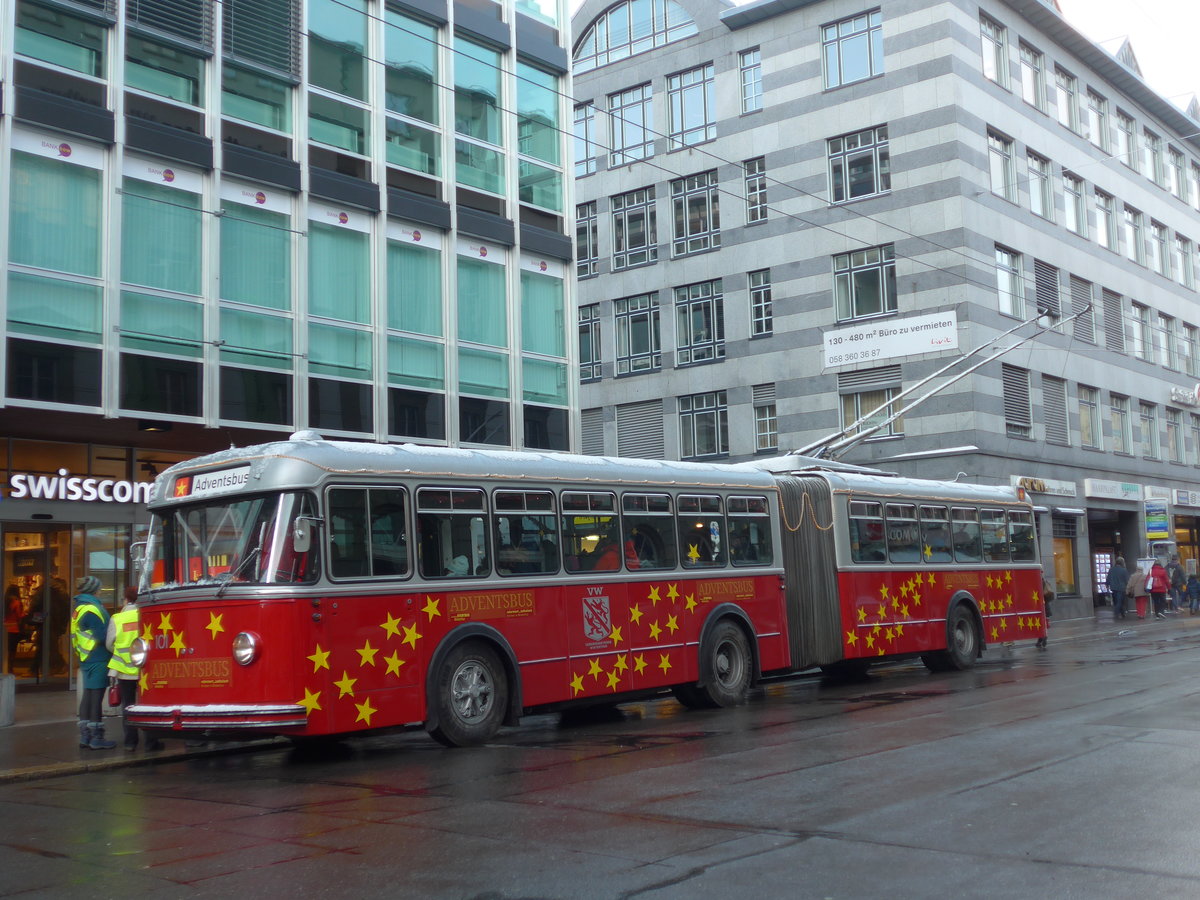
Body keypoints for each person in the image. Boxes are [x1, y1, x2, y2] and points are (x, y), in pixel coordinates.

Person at [107, 587, 162, 752]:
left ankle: (130, 742)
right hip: (145, 670)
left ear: (126, 599)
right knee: (148, 706)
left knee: (128, 706)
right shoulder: (148, 615)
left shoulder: (117, 618)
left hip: (124, 671)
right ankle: (151, 742)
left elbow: (109, 643)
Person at [70, 575, 115, 750]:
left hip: (85, 656)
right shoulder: (94, 609)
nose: (101, 591)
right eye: (99, 588)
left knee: (88, 695)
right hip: (99, 657)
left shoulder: (79, 608)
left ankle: (85, 736)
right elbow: (104, 635)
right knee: (96, 696)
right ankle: (97, 737)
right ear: (94, 590)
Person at [5, 584, 22, 673]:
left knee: (5, 650)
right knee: (12, 651)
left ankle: (3, 667)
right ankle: (10, 668)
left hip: (4, 629)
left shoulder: (4, 601)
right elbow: (19, 616)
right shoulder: (16, 602)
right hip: (13, 628)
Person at [1036, 573, 1054, 649]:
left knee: (1042, 624)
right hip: (1045, 606)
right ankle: (1041, 639)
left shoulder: (1038, 582)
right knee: (1043, 624)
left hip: (1042, 607)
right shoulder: (1044, 582)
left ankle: (1043, 639)